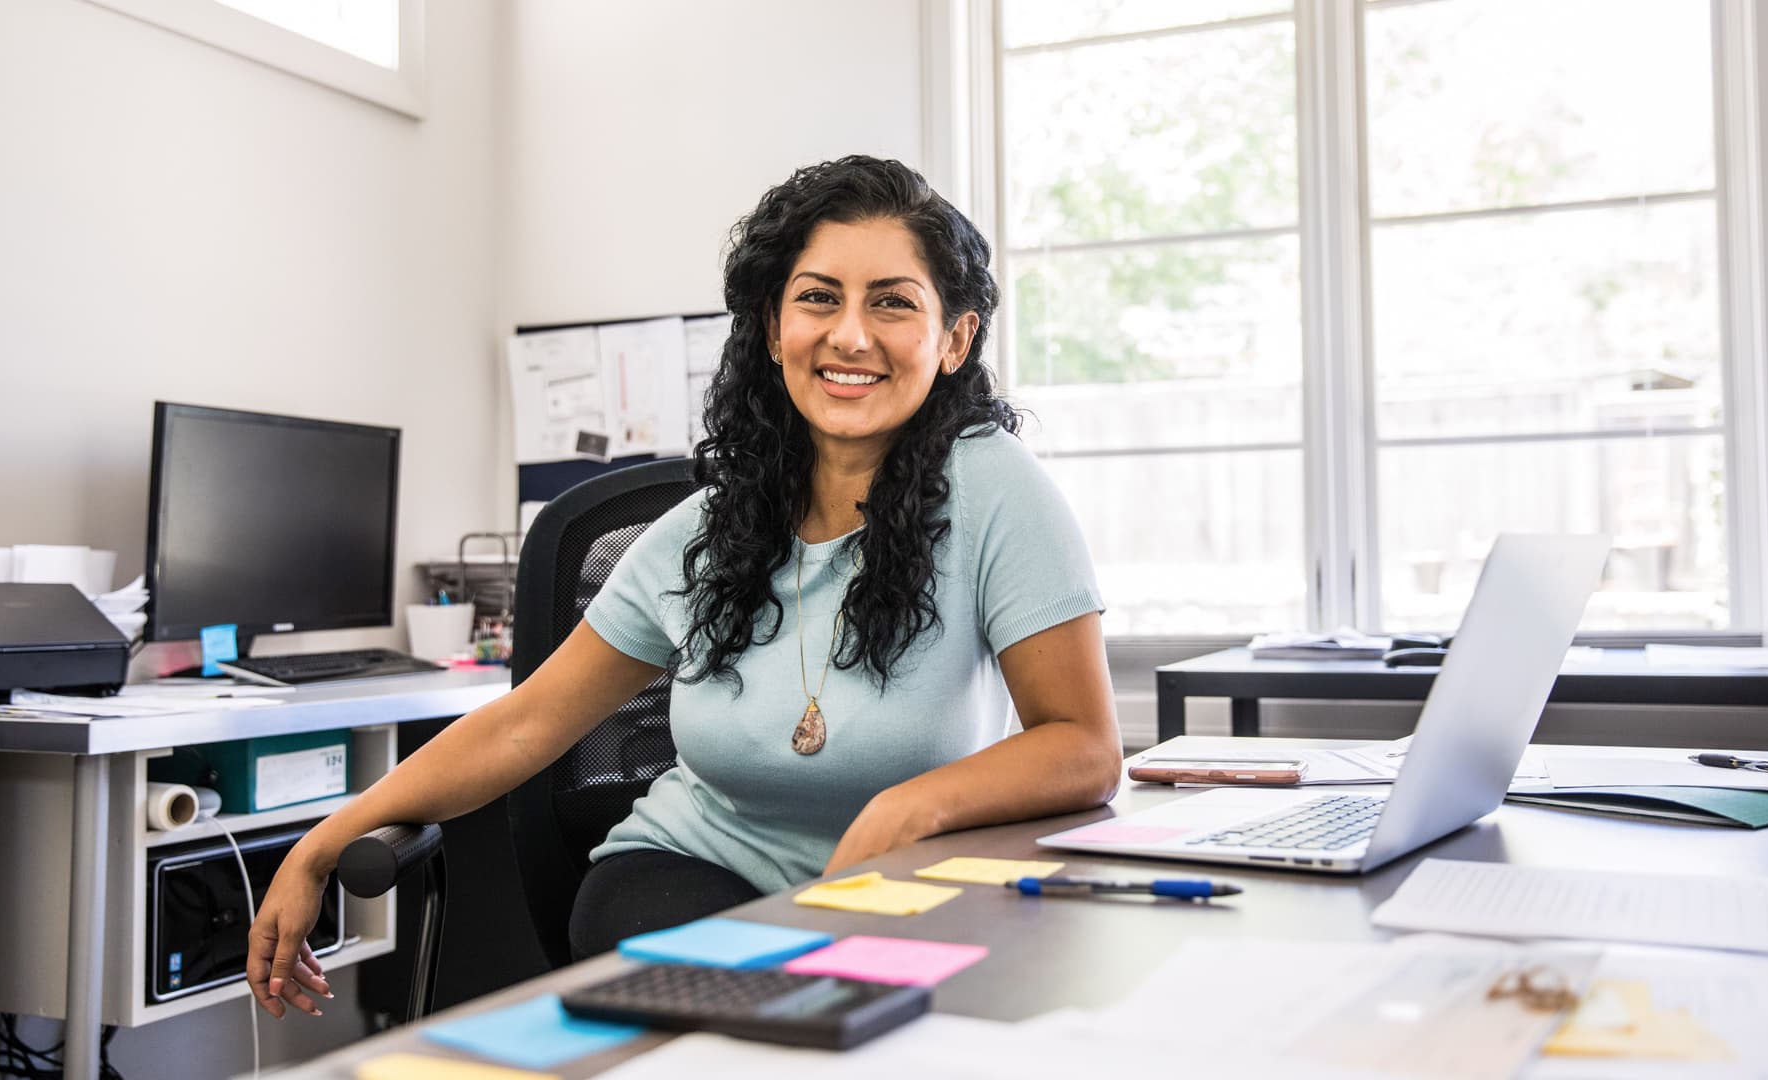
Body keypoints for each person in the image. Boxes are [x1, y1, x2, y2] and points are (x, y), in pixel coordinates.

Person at [245, 155, 1120, 1020]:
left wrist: (911, 806)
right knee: (771, 1022)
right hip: (688, 875)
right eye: (818, 297)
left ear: (954, 338)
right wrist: (324, 841)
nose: (850, 335)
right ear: (775, 329)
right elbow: (522, 725)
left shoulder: (996, 493)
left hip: (910, 886)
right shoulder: (707, 531)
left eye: (892, 301)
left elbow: (1082, 745)